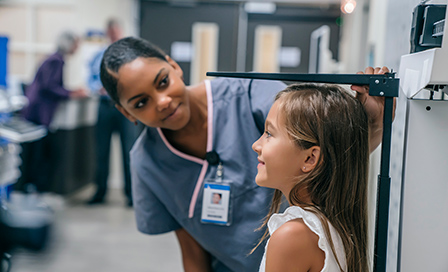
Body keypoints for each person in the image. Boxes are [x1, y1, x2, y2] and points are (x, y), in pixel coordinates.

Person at [99, 36, 389, 271]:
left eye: (162, 82)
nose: (162, 102)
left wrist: (373, 126)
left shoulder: (252, 95)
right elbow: (191, 248)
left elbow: (328, 156)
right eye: (140, 103)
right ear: (126, 113)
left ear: (174, 66)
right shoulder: (146, 163)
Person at [252, 83, 370, 271]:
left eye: (269, 134)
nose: (256, 145)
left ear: (310, 158)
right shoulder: (333, 227)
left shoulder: (292, 236)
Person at [20, 30, 87, 192]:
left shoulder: (54, 59)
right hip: (38, 113)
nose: (77, 48)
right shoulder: (56, 61)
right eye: (76, 44)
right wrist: (71, 93)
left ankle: (32, 188)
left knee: (37, 154)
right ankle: (33, 189)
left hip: (37, 112)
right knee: (38, 155)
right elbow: (49, 87)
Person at [86, 19, 141, 207]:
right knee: (101, 152)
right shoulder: (97, 56)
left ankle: (131, 196)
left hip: (125, 108)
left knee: (128, 151)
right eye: (110, 32)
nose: (113, 35)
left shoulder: (131, 57)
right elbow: (90, 80)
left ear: (121, 32)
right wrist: (98, 88)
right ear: (107, 33)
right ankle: (99, 193)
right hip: (104, 107)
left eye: (116, 31)